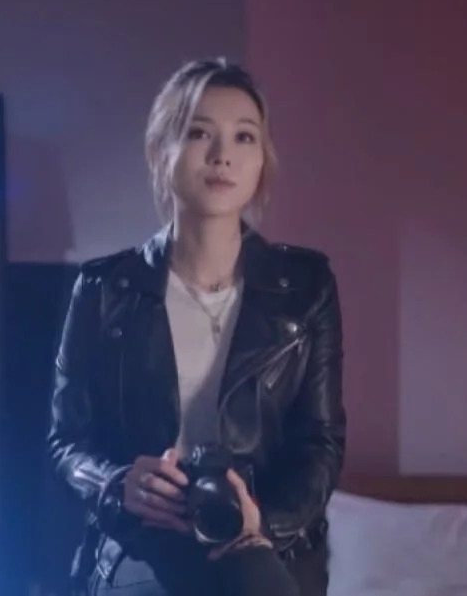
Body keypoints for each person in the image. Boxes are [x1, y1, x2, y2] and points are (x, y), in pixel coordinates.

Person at [48, 57, 346, 596]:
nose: (222, 155)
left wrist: (260, 523)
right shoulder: (103, 290)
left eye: (244, 137)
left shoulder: (306, 288)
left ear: (262, 161)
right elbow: (67, 442)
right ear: (160, 151)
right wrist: (118, 484)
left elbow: (319, 445)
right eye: (199, 133)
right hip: (143, 541)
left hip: (262, 542)